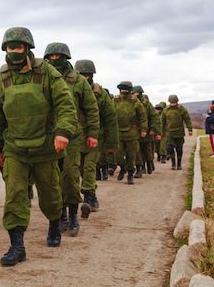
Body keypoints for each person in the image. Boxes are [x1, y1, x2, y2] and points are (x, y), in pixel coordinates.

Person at [0, 27, 77, 266]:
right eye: (10, 47)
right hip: (14, 148)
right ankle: (17, 246)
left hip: (45, 147)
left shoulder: (46, 72)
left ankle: (54, 225)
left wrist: (63, 132)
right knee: (15, 195)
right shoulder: (2, 78)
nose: (14, 51)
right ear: (5, 49)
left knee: (50, 193)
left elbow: (65, 103)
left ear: (27, 48)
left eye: (18, 47)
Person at [44, 43, 99, 235]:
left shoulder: (78, 81)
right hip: (49, 136)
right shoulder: (43, 77)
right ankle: (60, 216)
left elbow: (91, 109)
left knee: (70, 177)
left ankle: (73, 214)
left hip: (74, 136)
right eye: (51, 56)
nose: (55, 59)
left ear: (66, 57)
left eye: (58, 55)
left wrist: (92, 134)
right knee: (53, 179)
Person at [74, 59, 118, 216]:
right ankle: (91, 194)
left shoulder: (101, 94)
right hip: (75, 137)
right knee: (79, 168)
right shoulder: (70, 88)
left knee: (89, 167)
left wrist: (112, 143)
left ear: (92, 75)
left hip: (95, 137)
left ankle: (88, 196)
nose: (85, 78)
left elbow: (110, 118)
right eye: (82, 75)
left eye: (88, 75)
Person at [113, 81, 147, 184]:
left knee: (131, 156)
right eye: (122, 88)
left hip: (132, 133)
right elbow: (109, 115)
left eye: (126, 88)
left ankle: (130, 175)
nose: (124, 90)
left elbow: (142, 117)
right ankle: (123, 168)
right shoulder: (115, 100)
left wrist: (144, 129)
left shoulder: (135, 102)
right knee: (117, 155)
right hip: (118, 132)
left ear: (129, 90)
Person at [132, 88, 161, 176]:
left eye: (136, 93)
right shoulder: (131, 102)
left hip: (147, 132)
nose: (134, 94)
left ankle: (149, 163)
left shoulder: (147, 104)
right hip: (135, 131)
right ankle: (141, 168)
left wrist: (153, 129)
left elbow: (154, 118)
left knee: (147, 150)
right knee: (138, 151)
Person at [161, 95, 193, 170]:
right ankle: (173, 163)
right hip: (169, 132)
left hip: (179, 132)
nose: (173, 104)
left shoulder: (182, 109)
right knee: (170, 147)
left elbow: (187, 119)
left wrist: (190, 129)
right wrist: (160, 131)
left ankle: (179, 164)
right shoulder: (166, 110)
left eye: (174, 102)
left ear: (177, 102)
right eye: (171, 102)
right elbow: (162, 122)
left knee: (179, 148)